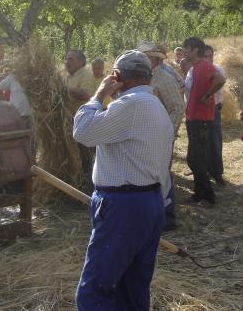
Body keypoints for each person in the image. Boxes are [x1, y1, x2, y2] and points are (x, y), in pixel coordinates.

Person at [73, 50, 173, 310]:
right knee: (132, 289)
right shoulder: (156, 106)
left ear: (117, 77)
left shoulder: (130, 105)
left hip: (123, 206)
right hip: (150, 202)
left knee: (95, 292)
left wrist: (98, 96)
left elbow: (82, 131)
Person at [138, 41, 185, 231]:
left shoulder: (164, 79)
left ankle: (168, 217)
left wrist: (167, 132)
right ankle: (154, 214)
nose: (141, 61)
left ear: (155, 59)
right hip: (146, 136)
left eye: (145, 58)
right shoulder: (144, 78)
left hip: (160, 136)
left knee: (163, 175)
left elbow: (178, 107)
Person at [182, 37, 226, 206]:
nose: (185, 51)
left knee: (196, 158)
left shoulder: (204, 65)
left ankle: (207, 196)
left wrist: (208, 95)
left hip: (201, 119)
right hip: (194, 117)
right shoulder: (195, 67)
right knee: (194, 158)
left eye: (187, 48)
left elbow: (220, 80)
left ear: (194, 50)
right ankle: (199, 193)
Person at [203, 44, 226, 186]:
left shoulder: (218, 71)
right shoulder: (196, 71)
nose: (208, 59)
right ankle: (205, 171)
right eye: (205, 56)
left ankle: (217, 173)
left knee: (215, 142)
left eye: (210, 56)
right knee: (203, 142)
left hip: (214, 109)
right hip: (201, 110)